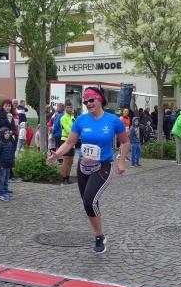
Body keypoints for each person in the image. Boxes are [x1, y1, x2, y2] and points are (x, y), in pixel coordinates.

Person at [47, 86, 129, 254]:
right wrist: (58, 154)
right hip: (83, 167)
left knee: (89, 201)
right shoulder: (81, 120)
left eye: (91, 100)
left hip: (103, 166)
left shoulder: (113, 120)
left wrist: (121, 163)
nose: (88, 104)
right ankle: (99, 233)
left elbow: (126, 142)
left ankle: (99, 236)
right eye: (85, 102)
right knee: (88, 203)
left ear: (100, 100)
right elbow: (70, 142)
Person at [0, 126, 15, 201]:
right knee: (1, 179)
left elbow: (11, 154)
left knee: (6, 179)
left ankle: (5, 191)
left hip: (8, 164)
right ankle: (0, 193)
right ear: (2, 134)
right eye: (5, 133)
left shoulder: (10, 143)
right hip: (2, 165)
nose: (7, 135)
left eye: (8, 133)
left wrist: (12, 162)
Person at [58, 101, 75, 184]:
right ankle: (64, 179)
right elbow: (68, 130)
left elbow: (75, 128)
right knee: (65, 160)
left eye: (71, 107)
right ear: (65, 108)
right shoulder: (63, 118)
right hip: (65, 140)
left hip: (72, 141)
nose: (70, 109)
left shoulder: (73, 117)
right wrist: (76, 133)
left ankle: (68, 178)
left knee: (71, 161)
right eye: (68, 107)